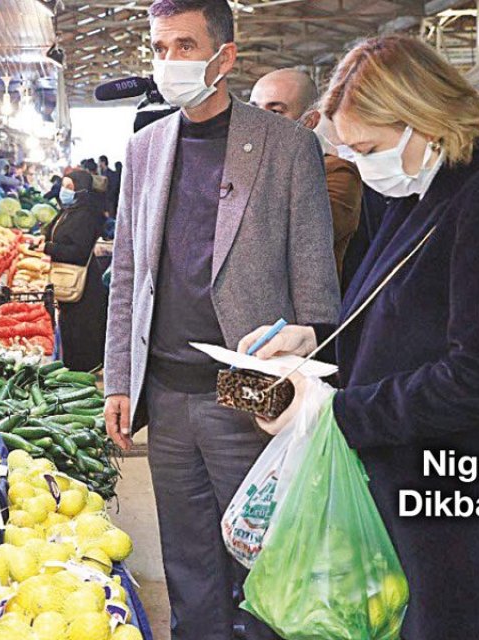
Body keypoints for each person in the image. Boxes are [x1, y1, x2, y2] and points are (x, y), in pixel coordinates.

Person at [241, 35, 479, 640]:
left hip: (470, 507)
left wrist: (336, 410)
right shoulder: (422, 190)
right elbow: (396, 312)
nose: (361, 165)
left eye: (369, 148)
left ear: (422, 120)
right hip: (414, 498)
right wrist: (317, 344)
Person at [101, 1, 340, 638]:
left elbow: (317, 290)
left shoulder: (288, 148)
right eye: (159, 48)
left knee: (263, 558)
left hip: (250, 390)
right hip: (169, 390)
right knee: (187, 561)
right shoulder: (147, 148)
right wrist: (119, 381)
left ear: (224, 56)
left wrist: (298, 365)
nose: (170, 62)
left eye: (185, 45)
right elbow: (128, 275)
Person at [251, 68, 362, 281]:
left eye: (275, 112)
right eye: (253, 108)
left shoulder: (336, 172)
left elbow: (303, 235)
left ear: (309, 121)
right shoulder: (240, 162)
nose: (258, 120)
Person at [36, 169, 107, 372]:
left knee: (82, 331)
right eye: (63, 186)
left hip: (83, 285)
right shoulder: (69, 210)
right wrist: (43, 238)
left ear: (81, 190)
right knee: (70, 329)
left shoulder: (87, 215)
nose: (63, 191)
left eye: (69, 187)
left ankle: (85, 373)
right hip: (68, 279)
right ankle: (73, 369)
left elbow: (78, 251)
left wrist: (48, 248)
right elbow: (52, 231)